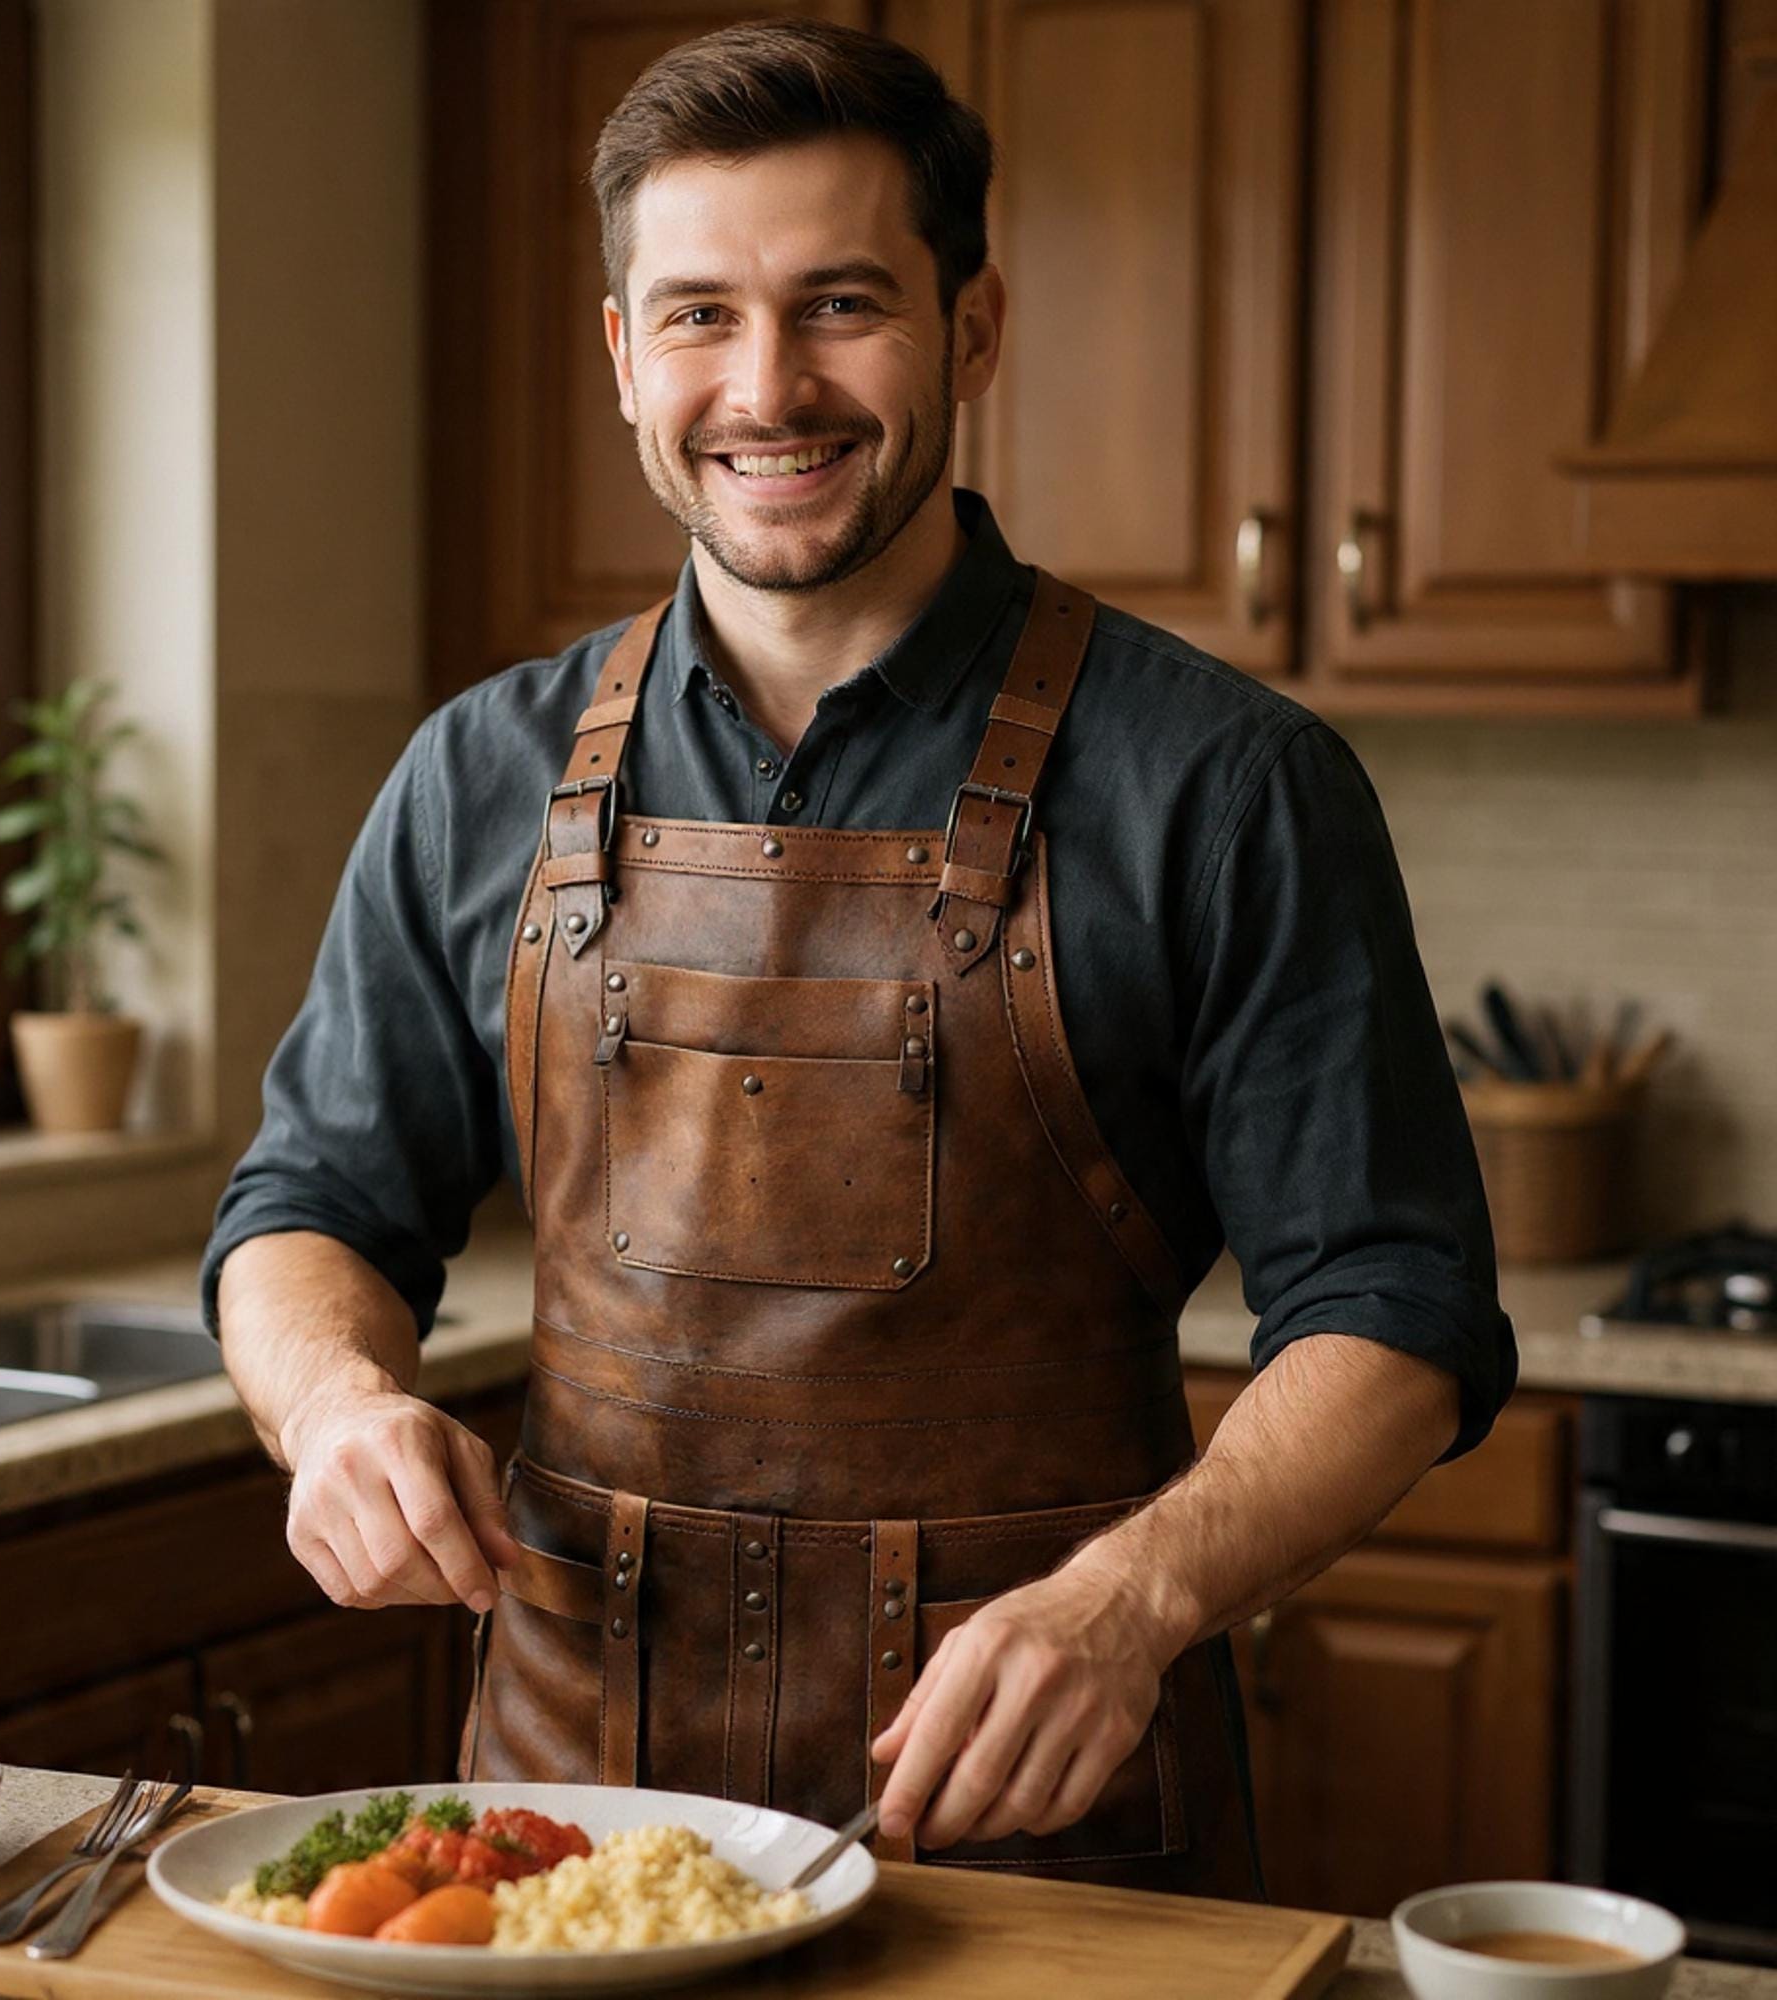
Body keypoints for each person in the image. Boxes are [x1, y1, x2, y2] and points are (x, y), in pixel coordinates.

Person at [204, 18, 1515, 1895]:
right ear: (623, 356)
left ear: (971, 329)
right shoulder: (475, 776)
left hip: (1046, 1837)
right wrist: (336, 1405)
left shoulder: (1229, 786)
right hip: (571, 1849)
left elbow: (1397, 1310)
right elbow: (307, 1208)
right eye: (700, 316)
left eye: (840, 304)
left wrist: (1136, 1599)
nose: (768, 387)